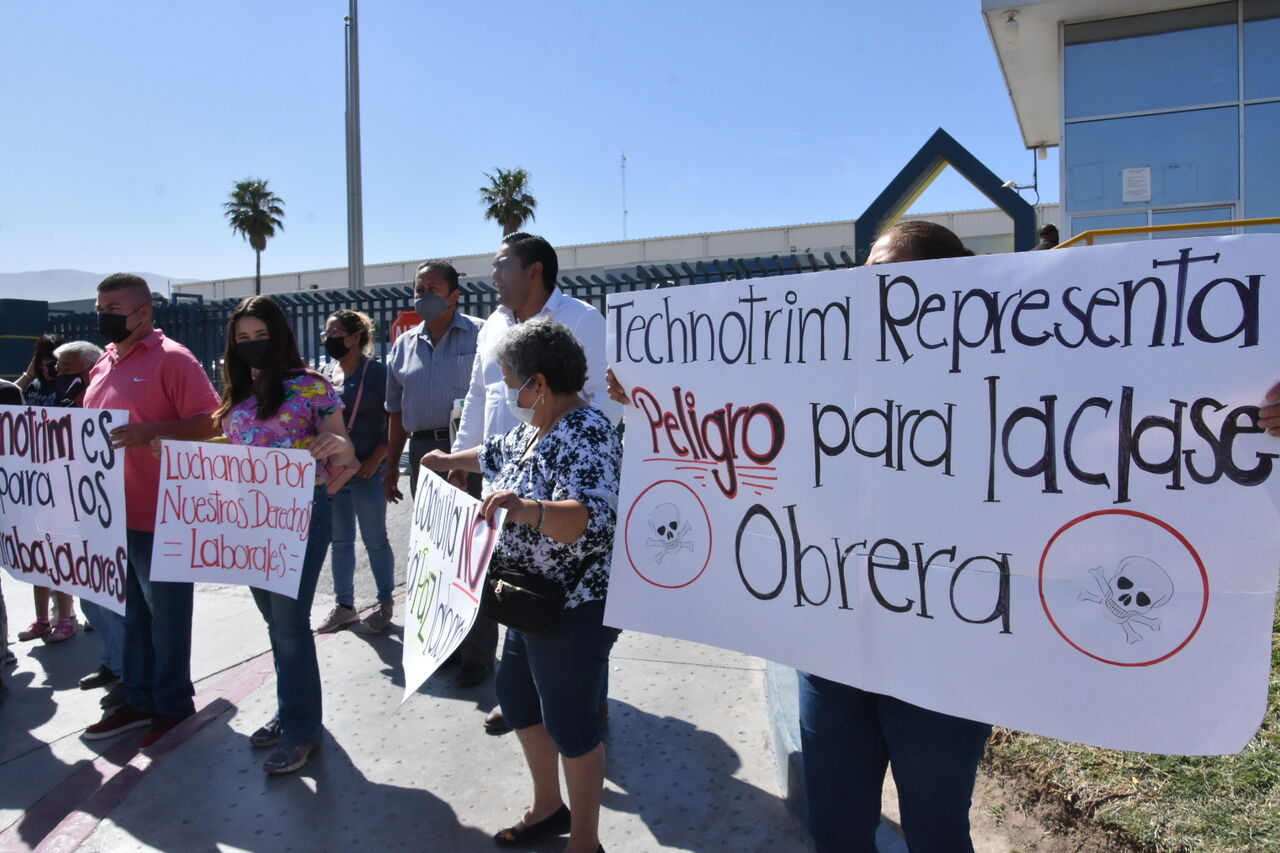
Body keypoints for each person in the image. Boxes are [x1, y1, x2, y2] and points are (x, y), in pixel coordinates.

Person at [801, 221, 990, 853]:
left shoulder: (1003, 373)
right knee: (835, 829)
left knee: (936, 832)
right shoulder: (826, 362)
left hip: (942, 651)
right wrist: (658, 398)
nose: (867, 288)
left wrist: (1248, 419)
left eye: (886, 274)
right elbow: (741, 423)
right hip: (833, 644)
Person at [421, 318, 622, 853]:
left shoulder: (589, 432)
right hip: (527, 601)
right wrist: (446, 460)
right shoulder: (535, 426)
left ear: (538, 381)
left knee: (572, 724)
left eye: (510, 378)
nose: (506, 389)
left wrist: (526, 510)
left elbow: (589, 519)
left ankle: (585, 841)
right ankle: (548, 807)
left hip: (573, 606)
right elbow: (491, 455)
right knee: (516, 698)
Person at [452, 233, 622, 731]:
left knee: (572, 598)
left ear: (535, 270)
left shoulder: (583, 321)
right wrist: (464, 465)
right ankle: (525, 696)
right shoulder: (493, 328)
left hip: (558, 488)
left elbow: (607, 403)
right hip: (503, 480)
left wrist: (554, 454)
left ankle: (587, 702)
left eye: (502, 264)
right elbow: (480, 398)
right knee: (518, 593)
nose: (493, 275)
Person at [215, 295, 355, 775]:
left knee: (291, 624)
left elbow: (344, 449)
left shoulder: (311, 387)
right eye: (243, 338)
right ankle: (289, 709)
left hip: (299, 515)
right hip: (247, 521)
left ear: (280, 336)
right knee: (276, 624)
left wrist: (337, 444)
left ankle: (301, 731)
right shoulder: (237, 390)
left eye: (261, 336)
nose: (253, 346)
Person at [81, 274, 221, 748]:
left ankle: (173, 705)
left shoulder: (174, 360)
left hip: (162, 517)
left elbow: (210, 422)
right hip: (110, 518)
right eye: (100, 306)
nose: (104, 315)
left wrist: (150, 433)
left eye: (114, 307)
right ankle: (139, 700)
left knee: (166, 616)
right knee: (131, 615)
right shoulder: (104, 361)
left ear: (143, 313)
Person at [382, 261, 489, 677]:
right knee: (438, 554)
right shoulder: (404, 345)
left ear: (454, 294)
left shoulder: (482, 334)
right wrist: (391, 466)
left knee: (473, 555)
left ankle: (478, 657)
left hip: (470, 456)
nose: (424, 294)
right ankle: (448, 645)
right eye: (419, 287)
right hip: (424, 455)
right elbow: (395, 412)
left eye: (433, 287)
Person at [53, 340, 128, 702]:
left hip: (110, 509)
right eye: (59, 371)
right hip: (78, 510)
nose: (60, 378)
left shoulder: (108, 400)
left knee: (114, 596)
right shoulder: (66, 406)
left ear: (88, 369)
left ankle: (130, 671)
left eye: (68, 370)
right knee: (88, 596)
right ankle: (112, 660)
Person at [314, 309, 396, 634]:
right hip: (336, 475)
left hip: (367, 474)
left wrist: (377, 459)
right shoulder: (324, 374)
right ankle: (344, 607)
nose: (328, 339)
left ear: (354, 337)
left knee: (375, 539)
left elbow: (396, 420)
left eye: (335, 333)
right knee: (341, 542)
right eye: (326, 333)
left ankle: (385, 602)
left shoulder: (377, 374)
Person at [13, 335, 80, 643]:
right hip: (35, 485)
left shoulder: (71, 388)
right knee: (38, 556)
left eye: (57, 360)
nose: (52, 365)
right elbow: (11, 394)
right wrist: (30, 372)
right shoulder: (35, 388)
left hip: (63, 485)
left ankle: (66, 616)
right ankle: (43, 618)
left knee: (62, 553)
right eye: (46, 359)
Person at [15, 334, 63, 407]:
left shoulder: (67, 387)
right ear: (39, 361)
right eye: (49, 358)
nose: (54, 362)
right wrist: (28, 376)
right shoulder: (33, 385)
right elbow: (8, 395)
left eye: (57, 357)